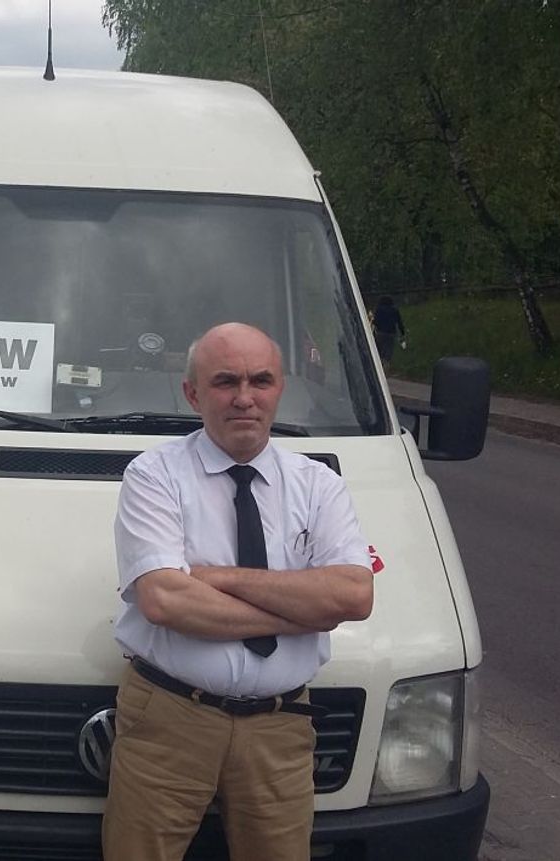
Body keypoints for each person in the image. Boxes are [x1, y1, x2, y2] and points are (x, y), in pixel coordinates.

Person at [102, 322, 374, 861]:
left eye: (261, 380)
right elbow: (164, 600)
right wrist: (302, 611)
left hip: (280, 730)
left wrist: (219, 577)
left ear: (280, 388)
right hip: (169, 720)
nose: (244, 398)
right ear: (192, 394)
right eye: (225, 381)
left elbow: (352, 597)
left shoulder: (319, 485)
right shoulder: (153, 475)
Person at [371, 296, 406, 372]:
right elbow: (399, 322)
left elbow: (375, 321)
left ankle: (379, 366)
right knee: (388, 351)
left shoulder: (379, 310)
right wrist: (402, 332)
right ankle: (385, 368)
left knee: (380, 350)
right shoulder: (394, 310)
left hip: (380, 333)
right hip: (391, 334)